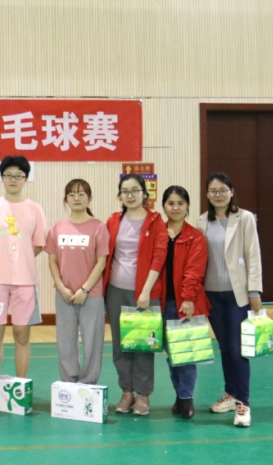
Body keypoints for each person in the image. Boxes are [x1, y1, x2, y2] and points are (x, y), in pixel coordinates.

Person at [0, 156, 46, 401]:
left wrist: (19, 262)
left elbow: (38, 244)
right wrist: (0, 263)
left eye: (18, 176)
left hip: (25, 283)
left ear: (26, 179)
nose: (13, 180)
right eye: (8, 175)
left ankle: (20, 386)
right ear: (2, 178)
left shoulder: (35, 209)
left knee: (22, 335)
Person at [197, 172, 262, 428]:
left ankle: (243, 403)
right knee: (225, 347)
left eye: (223, 190)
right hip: (211, 294)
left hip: (237, 295)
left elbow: (253, 254)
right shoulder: (202, 221)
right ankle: (231, 393)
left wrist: (254, 291)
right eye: (213, 191)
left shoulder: (244, 218)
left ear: (231, 192)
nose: (218, 195)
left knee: (237, 350)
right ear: (207, 194)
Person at [103, 173, 167, 415]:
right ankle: (127, 392)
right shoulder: (113, 221)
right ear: (120, 195)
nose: (129, 195)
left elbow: (159, 257)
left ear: (144, 193)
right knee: (121, 345)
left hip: (145, 293)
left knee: (143, 345)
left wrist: (146, 291)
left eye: (134, 190)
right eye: (125, 191)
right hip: (115, 292)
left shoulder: (155, 221)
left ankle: (143, 395)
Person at [45, 179, 109, 385]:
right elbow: (52, 261)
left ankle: (88, 383)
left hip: (91, 295)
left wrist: (85, 289)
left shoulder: (99, 228)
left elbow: (101, 262)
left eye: (82, 194)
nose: (77, 198)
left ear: (90, 198)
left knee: (92, 341)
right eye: (72, 194)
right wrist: (61, 287)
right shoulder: (57, 228)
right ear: (66, 199)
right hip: (64, 294)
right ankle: (68, 382)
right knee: (65, 341)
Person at [158, 185, 209, 420]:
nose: (175, 207)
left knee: (186, 354)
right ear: (164, 206)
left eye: (180, 203)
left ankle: (187, 398)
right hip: (161, 303)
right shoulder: (157, 233)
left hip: (184, 304)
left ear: (188, 206)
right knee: (171, 354)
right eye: (171, 203)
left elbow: (194, 271)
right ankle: (180, 396)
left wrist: (188, 298)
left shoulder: (195, 237)